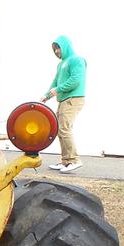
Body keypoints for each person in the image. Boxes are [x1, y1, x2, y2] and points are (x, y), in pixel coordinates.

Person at [42, 35, 86, 173]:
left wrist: (58, 90)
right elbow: (55, 82)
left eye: (58, 48)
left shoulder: (77, 60)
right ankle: (66, 161)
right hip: (63, 100)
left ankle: (74, 160)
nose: (56, 52)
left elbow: (76, 80)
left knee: (64, 128)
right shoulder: (61, 64)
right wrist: (47, 95)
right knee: (59, 130)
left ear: (65, 46)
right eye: (54, 49)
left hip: (74, 99)